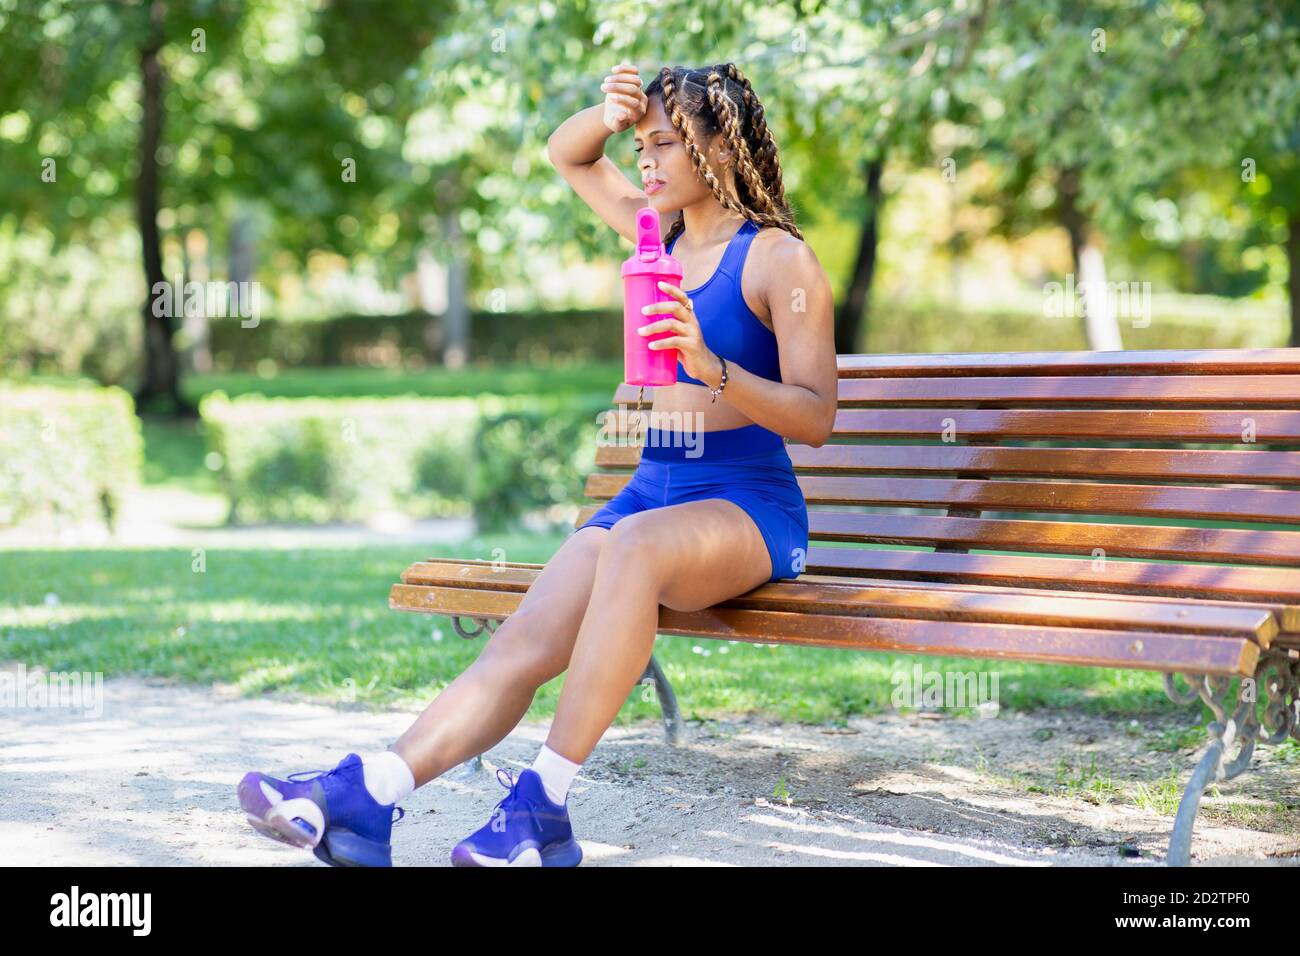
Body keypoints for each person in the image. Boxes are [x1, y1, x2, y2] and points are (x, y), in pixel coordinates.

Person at [236, 61, 838, 867]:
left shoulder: (778, 261)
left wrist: (710, 364)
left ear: (721, 150)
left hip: (746, 507)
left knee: (626, 545)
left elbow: (818, 418)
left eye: (665, 144)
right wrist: (608, 112)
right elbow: (571, 156)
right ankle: (371, 793)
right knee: (522, 643)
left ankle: (543, 803)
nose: (647, 162)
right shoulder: (653, 232)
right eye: (643, 143)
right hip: (650, 496)